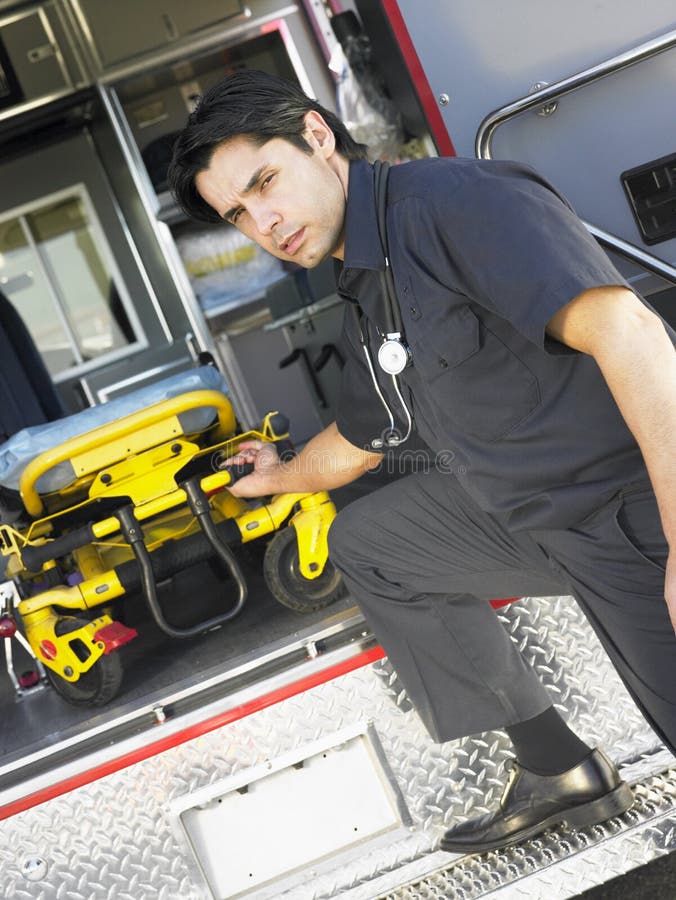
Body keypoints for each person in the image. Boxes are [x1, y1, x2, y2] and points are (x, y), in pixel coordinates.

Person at [168, 70, 676, 854]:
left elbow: (634, 339)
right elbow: (365, 436)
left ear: (316, 136)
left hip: (629, 515)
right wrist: (278, 472)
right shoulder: (368, 278)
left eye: (264, 182)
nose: (262, 221)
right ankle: (554, 764)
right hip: (530, 520)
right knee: (372, 545)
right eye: (239, 214)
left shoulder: (457, 204)